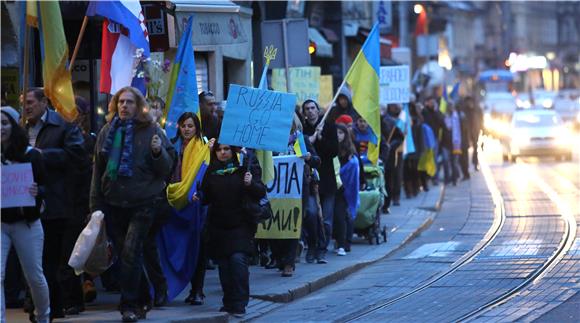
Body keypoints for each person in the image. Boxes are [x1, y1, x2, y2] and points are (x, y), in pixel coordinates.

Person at [90, 86, 175, 322]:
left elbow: (167, 168)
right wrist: (95, 206)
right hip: (114, 202)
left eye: (129, 102)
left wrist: (158, 152)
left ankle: (129, 306)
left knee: (130, 252)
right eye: (120, 102)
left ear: (138, 106)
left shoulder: (152, 131)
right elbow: (98, 170)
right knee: (127, 255)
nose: (124, 106)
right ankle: (144, 296)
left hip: (144, 202)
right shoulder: (108, 131)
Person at [22, 88, 86, 320]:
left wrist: (41, 155)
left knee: (51, 258)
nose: (26, 107)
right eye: (23, 103)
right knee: (33, 258)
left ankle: (53, 305)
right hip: (26, 202)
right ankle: (40, 303)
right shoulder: (22, 129)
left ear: (43, 103)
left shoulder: (63, 126)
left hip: (56, 202)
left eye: (30, 102)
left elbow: (76, 156)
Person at [197, 143, 266, 317]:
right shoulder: (210, 172)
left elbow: (260, 192)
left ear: (232, 151)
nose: (222, 153)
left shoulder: (243, 170)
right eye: (219, 150)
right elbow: (205, 195)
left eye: (226, 149)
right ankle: (228, 302)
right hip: (219, 228)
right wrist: (198, 196)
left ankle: (240, 303)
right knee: (225, 268)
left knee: (238, 262)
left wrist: (251, 184)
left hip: (241, 226)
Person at [1, 106, 50, 323]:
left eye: (4, 123)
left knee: (34, 276)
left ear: (13, 125)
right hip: (0, 223)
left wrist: (37, 191)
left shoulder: (31, 155)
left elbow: (47, 186)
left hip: (27, 224)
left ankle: (42, 315)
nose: (0, 128)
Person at [166, 112, 213, 305]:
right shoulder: (171, 146)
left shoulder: (203, 148)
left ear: (197, 128)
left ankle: (197, 289)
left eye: (190, 126)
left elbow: (204, 175)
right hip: (172, 201)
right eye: (183, 125)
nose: (186, 129)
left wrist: (197, 194)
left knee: (197, 247)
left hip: (195, 204)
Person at [301, 99, 338, 263]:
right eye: (307, 109)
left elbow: (334, 151)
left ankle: (322, 249)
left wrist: (321, 137)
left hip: (326, 180)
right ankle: (312, 246)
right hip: (309, 180)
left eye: (312, 108)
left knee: (327, 219)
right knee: (311, 215)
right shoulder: (302, 130)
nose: (310, 111)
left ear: (318, 110)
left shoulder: (329, 127)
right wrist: (311, 139)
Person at [334, 124, 360, 255]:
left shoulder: (350, 152)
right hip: (335, 188)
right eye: (336, 133)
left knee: (346, 216)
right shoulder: (332, 148)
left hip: (347, 189)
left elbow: (355, 169)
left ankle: (345, 243)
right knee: (338, 216)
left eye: (341, 133)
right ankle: (340, 241)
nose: (338, 135)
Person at [381, 104, 405, 209]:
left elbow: (400, 137)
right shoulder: (369, 121)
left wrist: (391, 145)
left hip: (388, 156)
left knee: (388, 178)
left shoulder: (391, 122)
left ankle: (387, 203)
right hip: (376, 155)